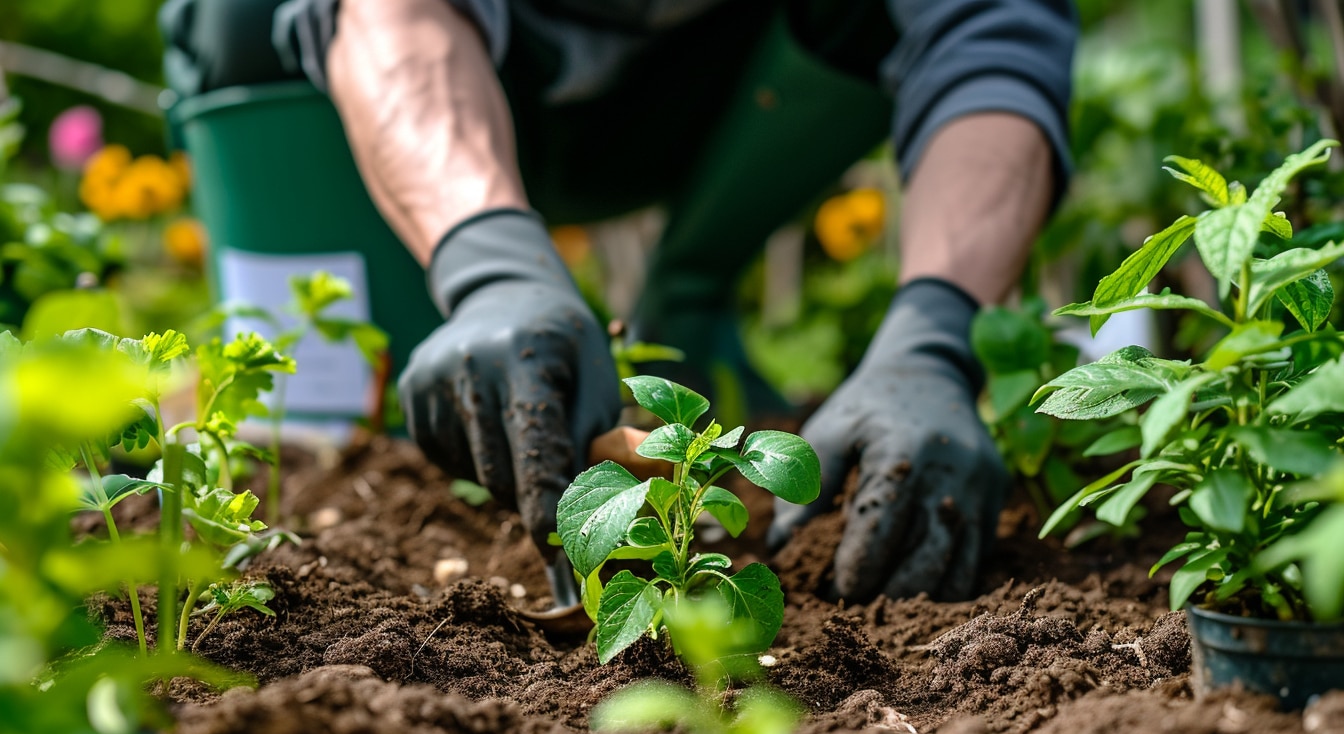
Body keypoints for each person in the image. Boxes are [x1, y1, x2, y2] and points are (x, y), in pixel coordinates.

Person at [161, 0, 1076, 605]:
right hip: (388, 78)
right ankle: (324, 402)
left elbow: (991, 36)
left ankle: (687, 292)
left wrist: (935, 334)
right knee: (353, 442)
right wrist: (489, 262)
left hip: (696, 84)